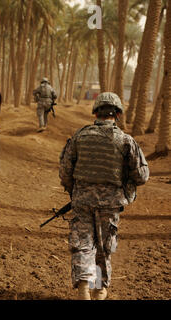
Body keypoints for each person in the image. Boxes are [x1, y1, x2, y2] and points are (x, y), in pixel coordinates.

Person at [59, 92, 149, 300]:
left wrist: (76, 190)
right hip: (110, 203)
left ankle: (83, 288)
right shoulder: (126, 141)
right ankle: (99, 290)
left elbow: (65, 172)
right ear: (117, 114)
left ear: (96, 112)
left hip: (81, 200)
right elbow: (142, 176)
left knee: (82, 243)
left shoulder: (79, 136)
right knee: (104, 246)